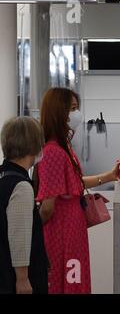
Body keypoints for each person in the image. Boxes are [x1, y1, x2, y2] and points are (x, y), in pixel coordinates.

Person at [36, 88, 119, 294]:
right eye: (72, 109)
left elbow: (72, 183)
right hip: (62, 229)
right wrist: (32, 229)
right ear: (58, 112)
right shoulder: (54, 151)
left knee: (71, 279)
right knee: (67, 281)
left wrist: (109, 176)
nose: (77, 114)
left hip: (70, 226)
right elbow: (48, 207)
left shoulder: (62, 148)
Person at [0, 117, 48, 294]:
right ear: (34, 145)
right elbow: (19, 235)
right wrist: (22, 279)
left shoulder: (3, 175)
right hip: (14, 279)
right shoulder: (21, 186)